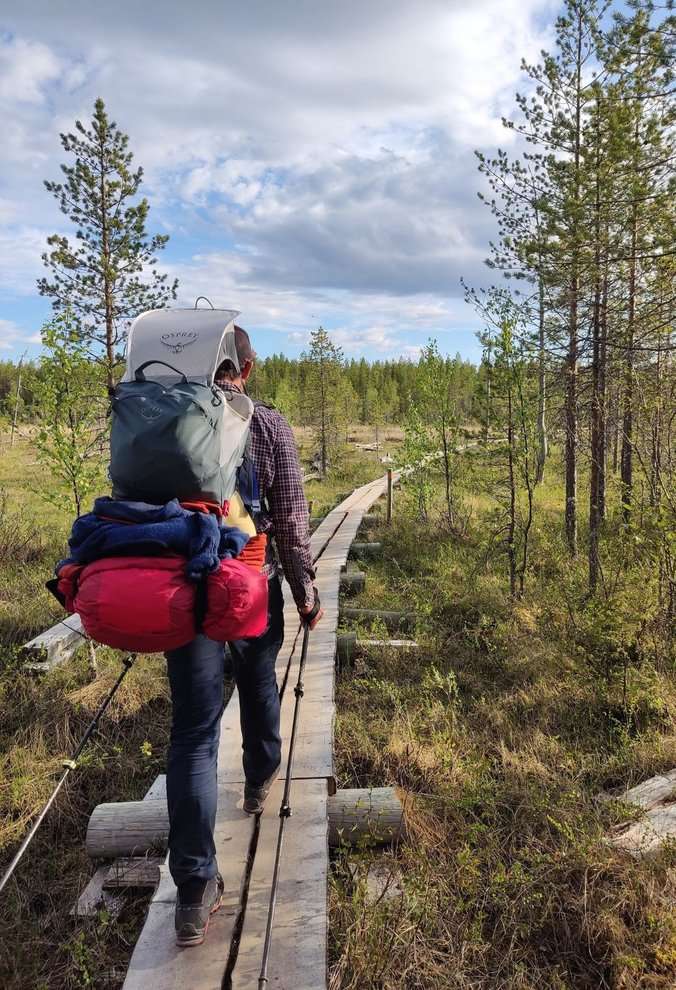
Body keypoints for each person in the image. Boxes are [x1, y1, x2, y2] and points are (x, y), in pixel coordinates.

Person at [168, 325, 323, 947]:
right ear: (248, 368)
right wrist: (306, 588)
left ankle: (192, 889)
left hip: (184, 593)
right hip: (250, 583)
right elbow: (288, 514)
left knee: (194, 732)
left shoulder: (170, 421)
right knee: (260, 681)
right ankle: (260, 777)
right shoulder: (269, 425)